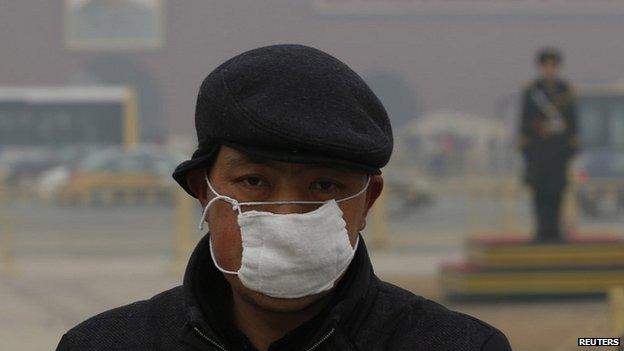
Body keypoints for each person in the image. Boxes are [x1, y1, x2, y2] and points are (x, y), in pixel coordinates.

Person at [56, 44, 511, 351]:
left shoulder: (458, 346)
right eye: (254, 182)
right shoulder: (105, 345)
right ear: (203, 192)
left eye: (324, 186)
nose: (287, 215)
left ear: (368, 201)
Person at [519, 47, 578, 243]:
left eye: (553, 66)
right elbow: (525, 122)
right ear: (540, 67)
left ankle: (555, 231)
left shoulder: (565, 91)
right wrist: (538, 131)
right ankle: (541, 231)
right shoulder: (532, 92)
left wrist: (569, 149)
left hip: (558, 151)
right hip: (539, 151)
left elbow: (572, 123)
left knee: (557, 193)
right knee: (540, 193)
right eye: (546, 66)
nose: (549, 69)